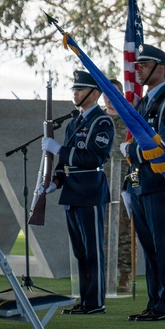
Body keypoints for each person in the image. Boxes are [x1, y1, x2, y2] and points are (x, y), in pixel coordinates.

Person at [42, 70, 115, 315]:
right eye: (74, 89)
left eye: (80, 89)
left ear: (94, 94)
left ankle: (95, 302)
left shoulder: (102, 122)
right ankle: (85, 300)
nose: (75, 93)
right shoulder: (75, 122)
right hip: (72, 192)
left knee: (93, 250)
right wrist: (55, 181)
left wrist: (59, 149)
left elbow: (93, 156)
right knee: (80, 252)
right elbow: (65, 163)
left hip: (90, 190)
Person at [121, 44, 165, 322]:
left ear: (160, 69)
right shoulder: (143, 103)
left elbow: (163, 145)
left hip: (159, 182)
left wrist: (131, 152)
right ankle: (154, 301)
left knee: (162, 245)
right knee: (149, 246)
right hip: (140, 182)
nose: (138, 70)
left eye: (144, 66)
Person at [103, 78, 135, 294]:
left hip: (123, 183)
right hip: (100, 183)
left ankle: (124, 275)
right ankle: (102, 273)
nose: (109, 96)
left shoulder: (129, 121)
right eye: (105, 92)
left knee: (124, 231)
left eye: (113, 92)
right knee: (100, 229)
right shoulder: (97, 120)